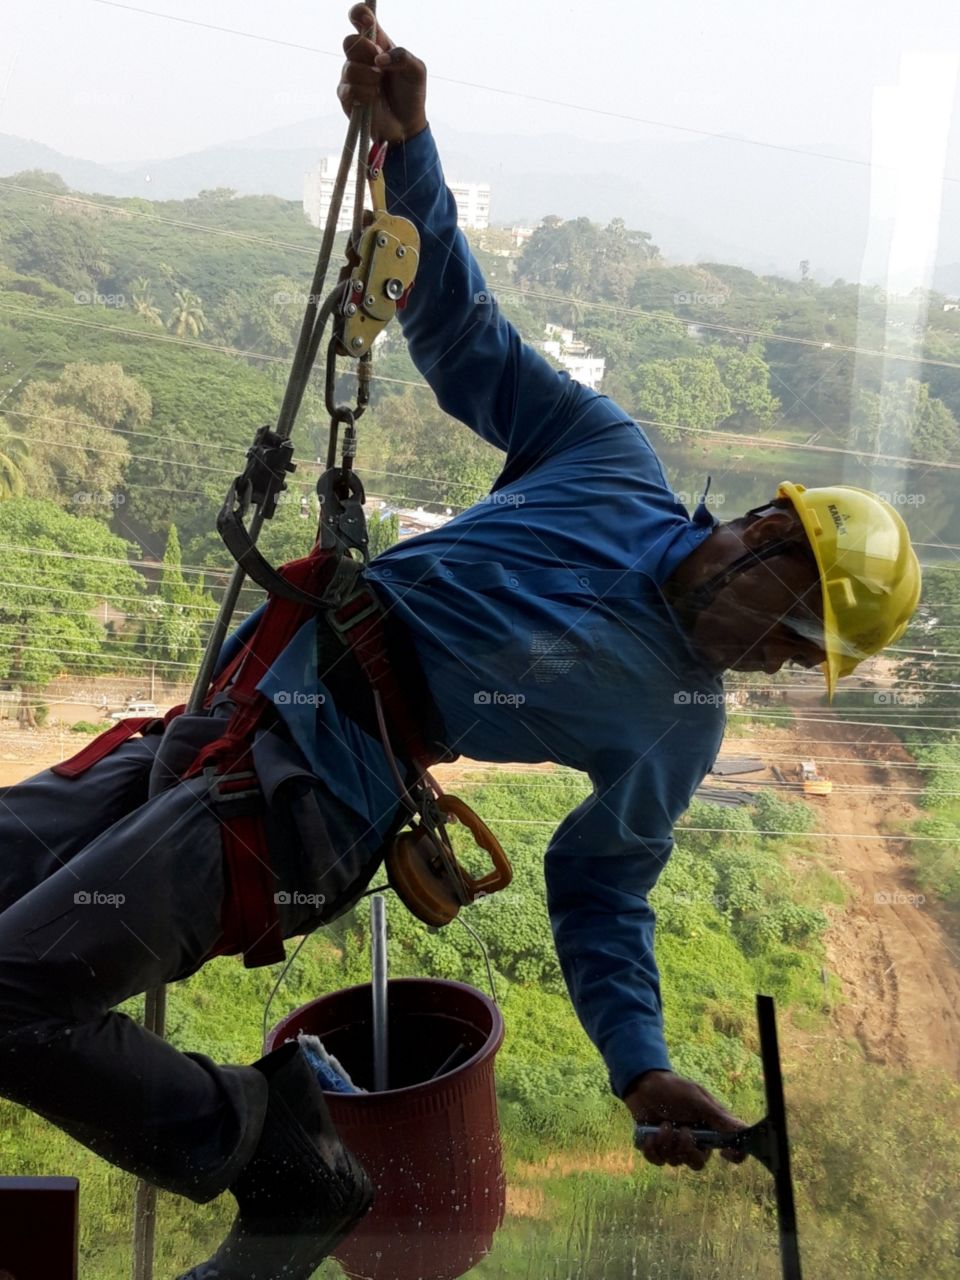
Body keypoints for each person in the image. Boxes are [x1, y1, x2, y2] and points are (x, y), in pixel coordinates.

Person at [0, 7, 920, 1279]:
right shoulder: (609, 460)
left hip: (312, 804)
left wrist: (640, 1062)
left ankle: (270, 1142)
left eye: (788, 653)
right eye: (784, 622)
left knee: (10, 990)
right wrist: (409, 146)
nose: (763, 658)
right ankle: (273, 1133)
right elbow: (469, 340)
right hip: (237, 718)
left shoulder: (678, 720)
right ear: (765, 525)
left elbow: (603, 886)